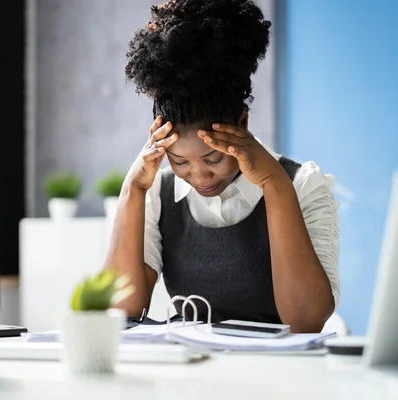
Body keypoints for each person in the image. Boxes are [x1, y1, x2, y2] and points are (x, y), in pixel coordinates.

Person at [104, 0, 340, 333]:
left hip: (279, 377)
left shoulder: (301, 184)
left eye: (213, 158)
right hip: (190, 375)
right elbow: (123, 308)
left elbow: (305, 320)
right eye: (181, 161)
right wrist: (133, 189)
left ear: (242, 122)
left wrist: (275, 185)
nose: (199, 176)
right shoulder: (158, 192)